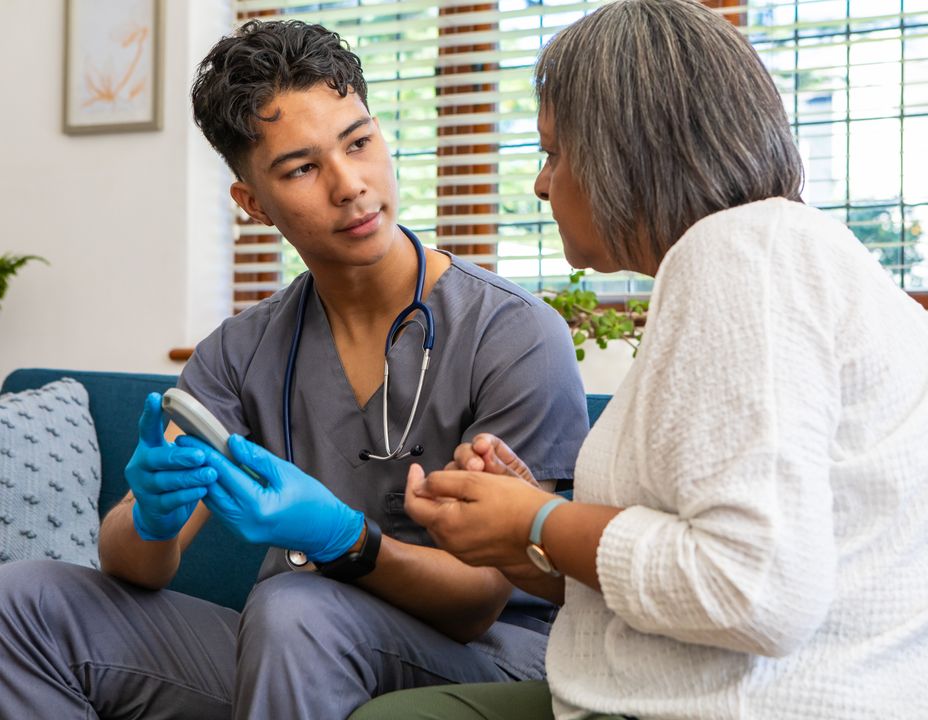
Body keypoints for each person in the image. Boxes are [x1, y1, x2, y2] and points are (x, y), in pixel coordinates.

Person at [350, 1, 928, 719]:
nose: (539, 183)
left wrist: (539, 524)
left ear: (627, 149)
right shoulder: (783, 259)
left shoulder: (741, 258)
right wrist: (523, 529)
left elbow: (752, 590)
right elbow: (692, 573)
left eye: (555, 152)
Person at [0, 19, 589, 720]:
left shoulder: (513, 333)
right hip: (291, 649)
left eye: (360, 143)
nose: (350, 186)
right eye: (302, 168)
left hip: (486, 659)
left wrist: (345, 539)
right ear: (253, 204)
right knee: (25, 600)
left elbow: (478, 602)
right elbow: (134, 565)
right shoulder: (243, 349)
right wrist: (153, 520)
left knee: (294, 605)